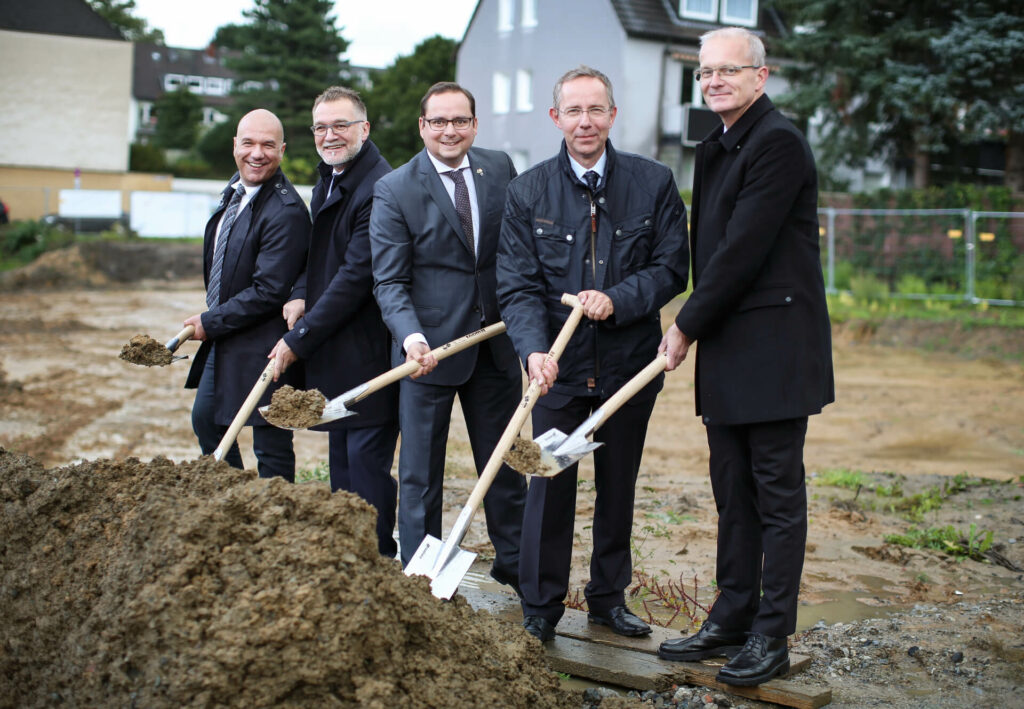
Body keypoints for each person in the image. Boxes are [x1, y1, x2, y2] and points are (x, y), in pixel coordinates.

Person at [656, 28, 835, 686]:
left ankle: (771, 634)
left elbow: (742, 249)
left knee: (777, 495)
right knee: (733, 494)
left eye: (728, 71)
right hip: (731, 346)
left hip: (777, 349)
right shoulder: (715, 145)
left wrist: (685, 324)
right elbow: (709, 247)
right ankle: (731, 616)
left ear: (762, 77)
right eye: (705, 72)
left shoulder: (777, 143)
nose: (714, 81)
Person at [497, 66, 688, 642]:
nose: (585, 121)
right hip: (557, 371)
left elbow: (671, 268)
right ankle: (541, 606)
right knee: (549, 487)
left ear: (612, 114)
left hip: (630, 368)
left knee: (618, 487)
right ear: (556, 118)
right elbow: (517, 286)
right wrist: (533, 352)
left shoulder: (653, 183)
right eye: (573, 111)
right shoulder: (527, 191)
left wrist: (619, 298)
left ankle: (607, 599)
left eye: (596, 110)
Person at [369, 82, 527, 589]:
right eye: (438, 121)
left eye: (460, 121)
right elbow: (390, 280)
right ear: (422, 127)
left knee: (503, 467)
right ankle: (421, 578)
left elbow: (520, 253)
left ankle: (520, 571)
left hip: (496, 348)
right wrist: (411, 338)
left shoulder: (499, 168)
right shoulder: (395, 188)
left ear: (474, 125)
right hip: (429, 354)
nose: (449, 130)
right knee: (419, 478)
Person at [267, 87, 400, 557]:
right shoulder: (330, 178)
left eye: (341, 125)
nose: (330, 135)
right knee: (342, 460)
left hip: (367, 351)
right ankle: (350, 556)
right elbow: (318, 251)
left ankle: (378, 558)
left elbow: (355, 277)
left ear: (364, 129)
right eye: (321, 127)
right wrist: (301, 289)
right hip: (336, 350)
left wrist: (298, 339)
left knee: (365, 462)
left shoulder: (377, 187)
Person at [184, 109, 310, 482]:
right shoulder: (233, 194)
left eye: (268, 145)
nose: (258, 153)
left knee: (269, 438)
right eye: (249, 143)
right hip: (229, 333)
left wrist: (210, 321)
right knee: (207, 419)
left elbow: (270, 290)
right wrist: (216, 320)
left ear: (282, 150)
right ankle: (235, 501)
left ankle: (277, 515)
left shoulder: (285, 211)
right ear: (235, 146)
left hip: (265, 341)